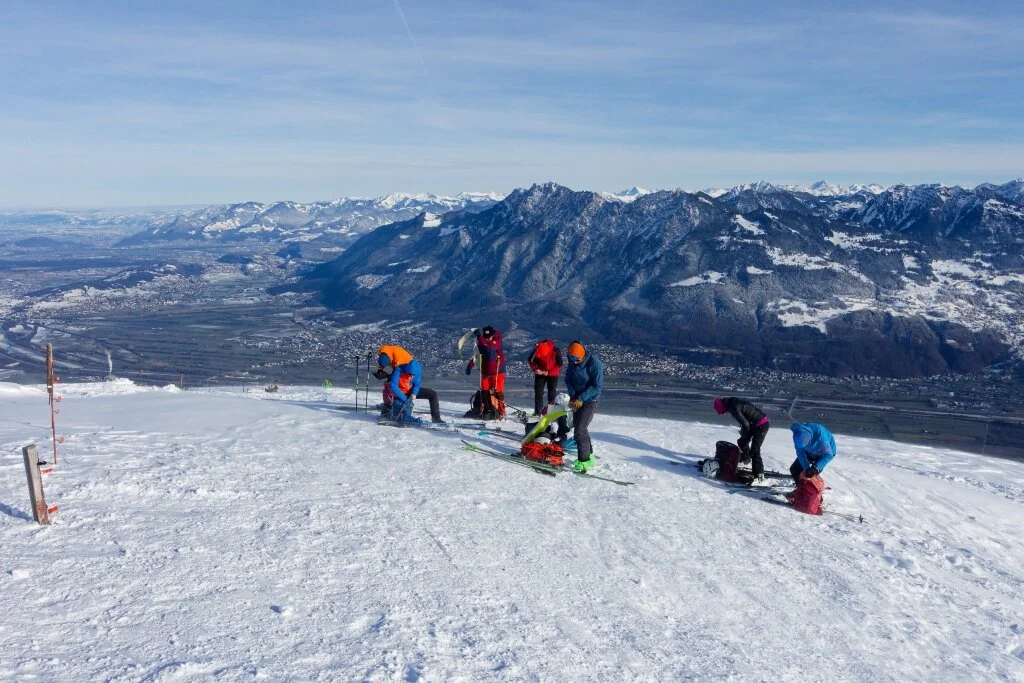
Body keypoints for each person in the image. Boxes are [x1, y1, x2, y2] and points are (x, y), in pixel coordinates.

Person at [374, 345, 442, 423]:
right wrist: (405, 399)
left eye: (413, 375)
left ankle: (436, 419)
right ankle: (387, 409)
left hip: (410, 392)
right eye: (410, 374)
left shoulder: (417, 371)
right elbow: (393, 386)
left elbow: (417, 384)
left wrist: (414, 393)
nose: (411, 376)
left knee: (433, 394)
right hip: (401, 393)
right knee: (401, 418)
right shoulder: (399, 369)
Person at [563, 341, 603, 473]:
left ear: (583, 355)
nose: (574, 362)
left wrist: (581, 398)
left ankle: (584, 461)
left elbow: (597, 387)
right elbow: (568, 379)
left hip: (590, 400)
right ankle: (589, 456)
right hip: (577, 400)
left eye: (576, 359)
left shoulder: (594, 364)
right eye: (571, 358)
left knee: (580, 430)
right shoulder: (572, 361)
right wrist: (573, 396)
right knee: (580, 428)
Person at [714, 397, 770, 486]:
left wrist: (745, 435)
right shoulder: (731, 402)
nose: (725, 413)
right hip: (754, 424)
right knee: (742, 442)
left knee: (755, 450)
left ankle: (759, 476)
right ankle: (745, 460)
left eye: (723, 412)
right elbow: (745, 421)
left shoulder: (733, 407)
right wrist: (744, 436)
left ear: (722, 407)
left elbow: (745, 424)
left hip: (761, 425)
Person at [465, 325, 505, 395]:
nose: (488, 339)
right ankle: (485, 404)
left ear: (493, 335)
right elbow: (477, 354)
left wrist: (480, 338)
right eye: (486, 338)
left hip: (498, 371)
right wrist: (470, 366)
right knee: (484, 390)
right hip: (486, 371)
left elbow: (490, 348)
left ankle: (500, 405)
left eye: (489, 337)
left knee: (497, 392)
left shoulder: (497, 340)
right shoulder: (483, 341)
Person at [527, 339, 563, 416]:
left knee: (551, 393)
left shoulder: (556, 351)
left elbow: (559, 365)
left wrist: (549, 373)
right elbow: (531, 361)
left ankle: (550, 412)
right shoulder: (537, 350)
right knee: (538, 392)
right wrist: (535, 369)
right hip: (540, 372)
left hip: (552, 373)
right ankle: (538, 412)